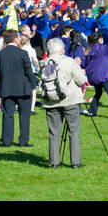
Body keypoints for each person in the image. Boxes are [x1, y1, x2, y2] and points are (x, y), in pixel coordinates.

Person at [39, 36, 87, 168]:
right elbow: (81, 81)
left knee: (54, 133)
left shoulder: (44, 63)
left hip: (51, 101)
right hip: (70, 100)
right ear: (62, 50)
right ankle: (75, 162)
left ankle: (54, 162)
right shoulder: (68, 61)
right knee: (73, 132)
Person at [0, 29, 35, 147]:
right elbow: (29, 71)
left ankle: (7, 141)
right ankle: (23, 141)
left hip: (7, 89)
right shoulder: (22, 53)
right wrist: (33, 85)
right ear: (15, 38)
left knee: (8, 115)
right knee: (24, 116)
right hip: (23, 89)